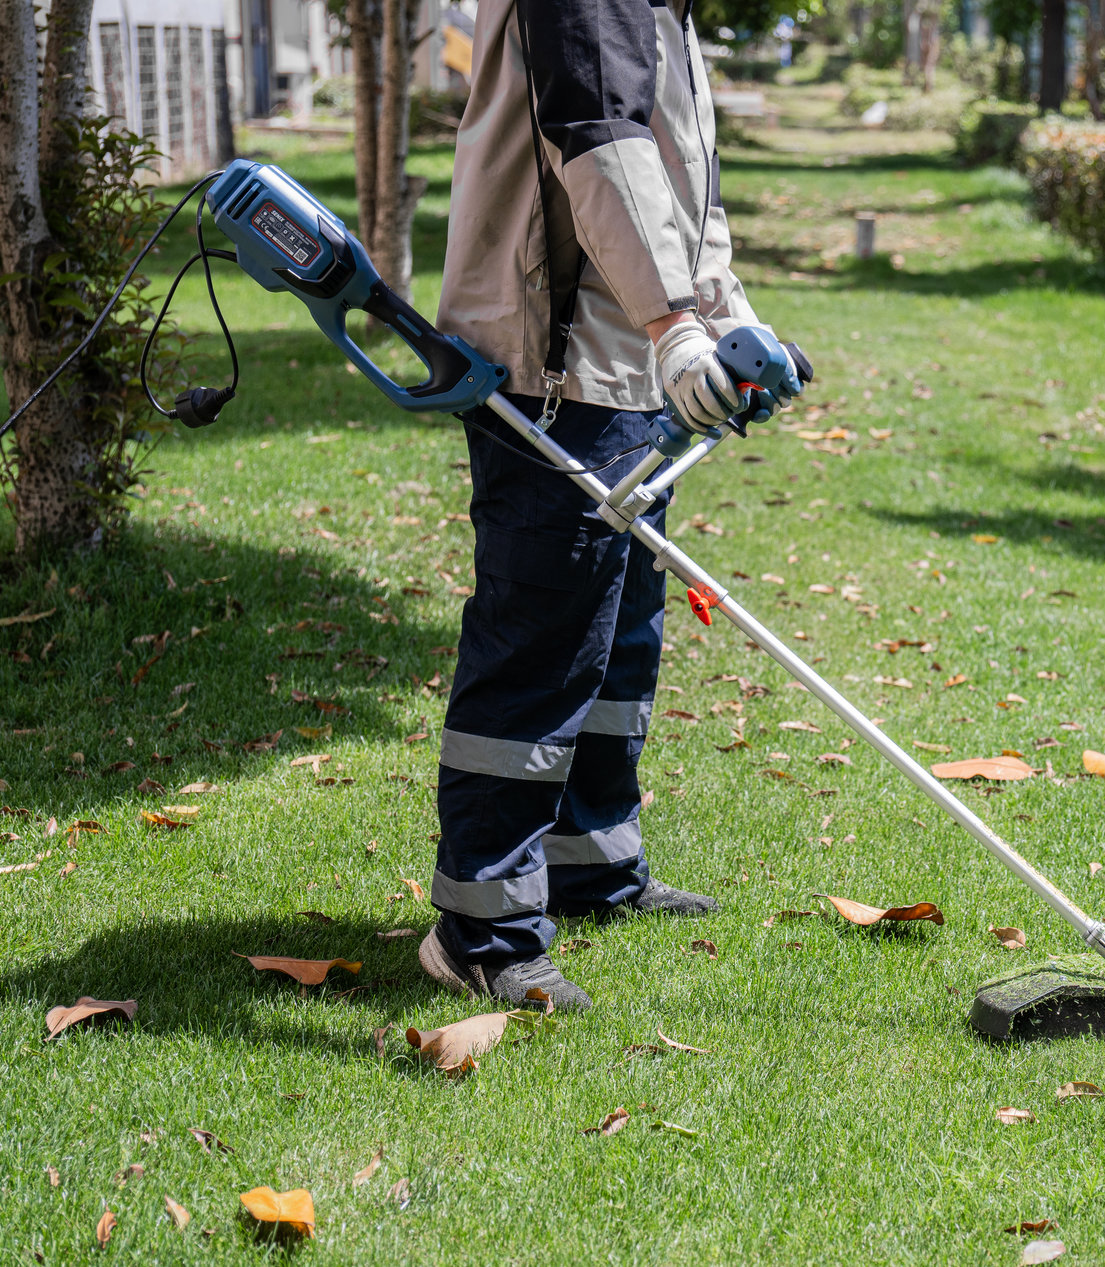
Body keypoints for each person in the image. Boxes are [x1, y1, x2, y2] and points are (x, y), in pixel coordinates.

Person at [421, 0, 804, 1009]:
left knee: (619, 640)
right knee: (541, 649)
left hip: (626, 367)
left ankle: (590, 865)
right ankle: (483, 929)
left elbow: (679, 184)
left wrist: (727, 320)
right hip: (556, 365)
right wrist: (673, 322)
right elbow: (599, 143)